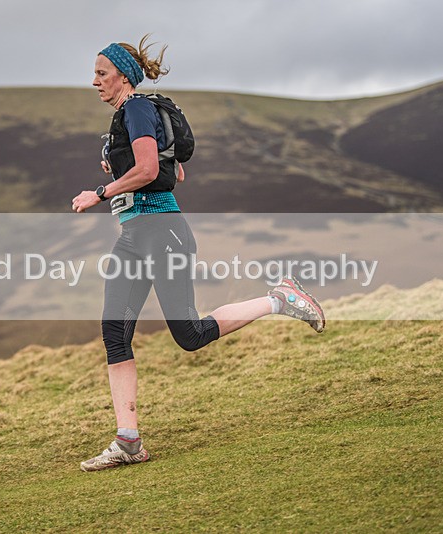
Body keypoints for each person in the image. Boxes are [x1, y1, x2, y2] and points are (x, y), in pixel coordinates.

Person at [71, 35, 325, 472]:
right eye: (94, 73)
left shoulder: (135, 107)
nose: (94, 81)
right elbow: (166, 169)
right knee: (115, 333)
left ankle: (280, 298)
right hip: (135, 235)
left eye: (101, 73)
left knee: (188, 334)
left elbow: (151, 170)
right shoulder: (130, 116)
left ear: (123, 77)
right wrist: (121, 167)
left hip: (161, 232)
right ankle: (128, 441)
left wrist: (101, 191)